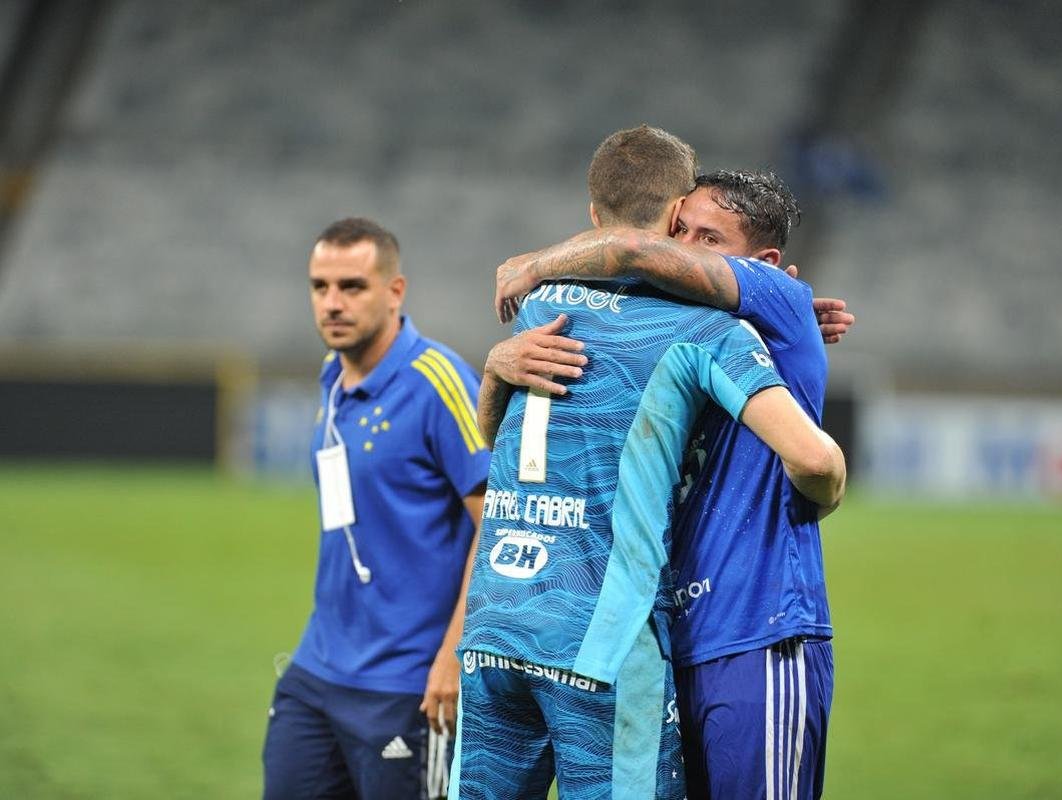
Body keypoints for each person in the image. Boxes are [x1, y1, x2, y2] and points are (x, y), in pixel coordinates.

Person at [451, 127, 845, 800]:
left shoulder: (738, 314)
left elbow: (635, 247)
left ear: (766, 263)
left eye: (706, 240)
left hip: (756, 630)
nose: (678, 252)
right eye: (681, 229)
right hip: (661, 629)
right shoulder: (694, 326)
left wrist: (533, 264)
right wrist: (495, 368)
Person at [262, 217, 490, 800]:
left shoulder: (438, 381)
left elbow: (495, 525)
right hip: (317, 670)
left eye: (352, 286)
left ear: (395, 292)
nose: (332, 303)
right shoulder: (331, 380)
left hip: (406, 682)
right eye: (320, 286)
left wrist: (453, 657)